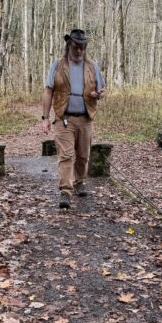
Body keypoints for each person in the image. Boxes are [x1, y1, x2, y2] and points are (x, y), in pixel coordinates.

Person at [41, 29, 106, 209]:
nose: (79, 51)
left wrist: (98, 94)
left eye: (82, 47)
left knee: (83, 155)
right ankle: (65, 191)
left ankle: (79, 182)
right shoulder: (57, 66)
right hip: (64, 118)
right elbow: (48, 91)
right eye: (76, 46)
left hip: (86, 118)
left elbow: (103, 89)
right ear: (69, 45)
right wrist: (45, 118)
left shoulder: (92, 66)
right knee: (66, 155)